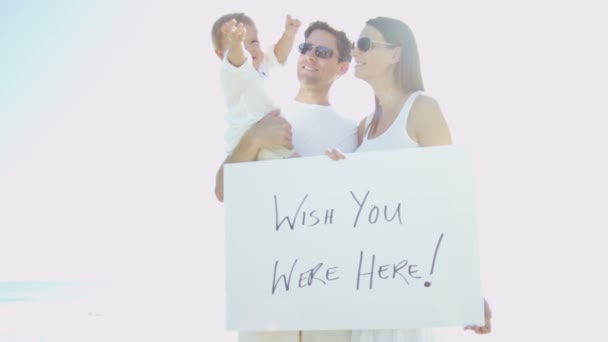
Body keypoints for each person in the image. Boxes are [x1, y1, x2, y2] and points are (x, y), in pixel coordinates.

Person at [325, 16, 492, 341]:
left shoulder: (423, 109)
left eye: (365, 44)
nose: (355, 51)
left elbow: (449, 201)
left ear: (395, 54)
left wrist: (469, 287)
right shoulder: (364, 126)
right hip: (365, 282)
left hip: (406, 281)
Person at [214, 20, 357, 342]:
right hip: (266, 288)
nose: (309, 56)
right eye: (305, 48)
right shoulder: (264, 111)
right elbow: (222, 189)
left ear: (343, 66)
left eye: (322, 52)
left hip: (331, 288)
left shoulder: (353, 131)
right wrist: (252, 139)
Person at [211, 13, 301, 160]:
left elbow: (279, 55)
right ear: (221, 54)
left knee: (301, 165)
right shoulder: (233, 72)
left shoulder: (262, 65)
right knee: (297, 168)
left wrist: (289, 34)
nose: (250, 49)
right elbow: (239, 59)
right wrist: (236, 44)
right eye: (241, 42)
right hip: (249, 138)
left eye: (254, 42)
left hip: (273, 139)